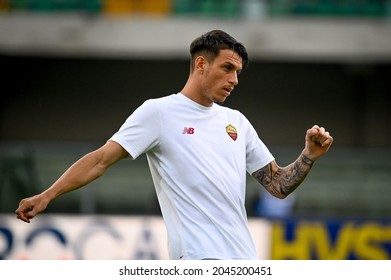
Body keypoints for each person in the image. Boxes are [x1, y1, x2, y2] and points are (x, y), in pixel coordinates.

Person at [15, 30, 333, 260]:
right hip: (196, 260)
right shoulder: (159, 113)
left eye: (238, 72)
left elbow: (278, 185)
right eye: (227, 68)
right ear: (200, 65)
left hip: (243, 261)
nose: (235, 79)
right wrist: (47, 195)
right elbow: (100, 160)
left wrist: (309, 156)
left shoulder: (237, 121)